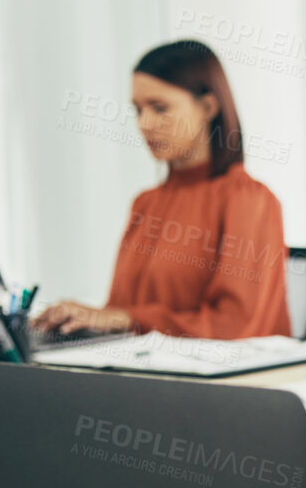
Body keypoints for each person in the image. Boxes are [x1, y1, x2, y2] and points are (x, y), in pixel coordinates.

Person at [34, 41, 292, 341]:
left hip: (219, 382)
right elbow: (122, 314)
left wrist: (123, 319)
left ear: (208, 107)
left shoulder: (250, 200)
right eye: (138, 110)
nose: (144, 124)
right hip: (146, 373)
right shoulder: (146, 204)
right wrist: (83, 319)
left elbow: (234, 326)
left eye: (160, 108)